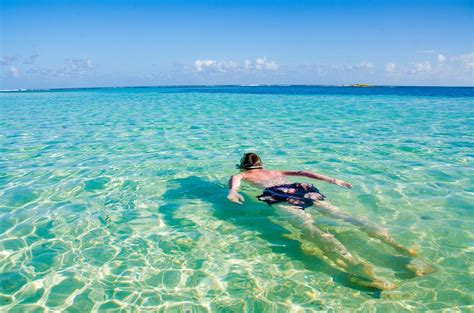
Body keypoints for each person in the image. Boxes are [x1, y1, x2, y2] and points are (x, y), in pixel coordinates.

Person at [227, 153, 428, 290]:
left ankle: (355, 265)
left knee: (309, 228)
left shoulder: (242, 175)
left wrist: (233, 191)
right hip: (302, 190)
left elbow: (235, 181)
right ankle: (400, 248)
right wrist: (334, 181)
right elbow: (304, 173)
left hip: (280, 197)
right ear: (262, 164)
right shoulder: (276, 172)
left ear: (243, 165)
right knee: (344, 217)